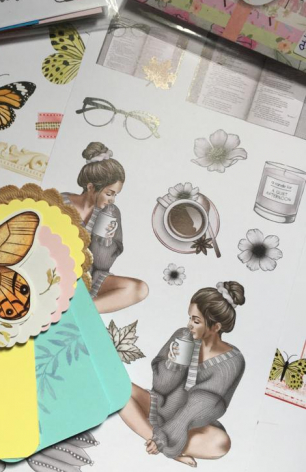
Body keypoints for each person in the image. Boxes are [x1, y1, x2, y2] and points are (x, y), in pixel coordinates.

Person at [119, 281, 246, 468]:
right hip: (159, 405)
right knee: (118, 389)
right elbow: (161, 387)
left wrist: (166, 437)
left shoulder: (232, 362)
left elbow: (202, 404)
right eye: (189, 318)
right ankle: (168, 448)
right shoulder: (183, 336)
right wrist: (174, 365)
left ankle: (163, 443)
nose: (189, 325)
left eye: (196, 321)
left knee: (221, 443)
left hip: (189, 424)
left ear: (216, 327)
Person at [61, 142, 148, 313]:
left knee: (140, 289)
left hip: (90, 278)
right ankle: (76, 310)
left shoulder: (110, 212)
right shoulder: (60, 202)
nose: (112, 200)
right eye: (109, 193)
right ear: (91, 187)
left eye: (115, 195)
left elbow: (102, 264)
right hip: (57, 274)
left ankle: (80, 312)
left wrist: (104, 242)